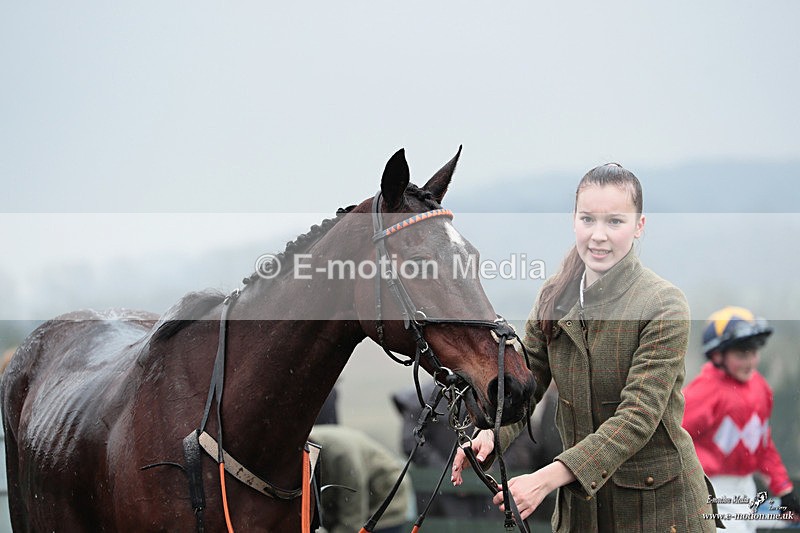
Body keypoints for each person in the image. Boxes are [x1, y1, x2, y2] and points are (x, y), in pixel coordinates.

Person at [452, 163, 719, 532]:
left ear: (639, 226)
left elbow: (636, 418)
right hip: (582, 513)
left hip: (661, 509)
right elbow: (526, 385)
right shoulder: (553, 296)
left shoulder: (664, 305)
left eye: (615, 222)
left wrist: (546, 478)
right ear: (573, 220)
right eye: (588, 219)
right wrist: (491, 433)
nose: (598, 235)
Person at [682, 306, 800, 532]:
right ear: (717, 355)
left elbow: (762, 446)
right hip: (710, 487)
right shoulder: (702, 392)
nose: (751, 361)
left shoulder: (760, 387)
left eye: (754, 352)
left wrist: (784, 489)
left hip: (747, 488)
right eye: (742, 354)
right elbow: (674, 439)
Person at [310, 424, 413, 533]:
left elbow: (352, 519)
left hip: (386, 499)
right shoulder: (305, 446)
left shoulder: (342, 457)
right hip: (359, 497)